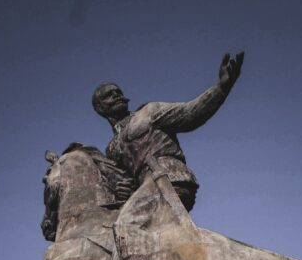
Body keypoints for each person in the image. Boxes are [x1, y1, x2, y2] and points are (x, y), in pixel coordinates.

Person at [91, 52, 244, 211]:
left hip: (170, 180)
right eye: (109, 95)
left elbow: (190, 113)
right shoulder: (111, 149)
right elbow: (123, 179)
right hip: (143, 192)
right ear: (100, 108)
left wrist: (221, 88)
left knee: (126, 224)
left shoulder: (148, 112)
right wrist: (124, 189)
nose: (116, 95)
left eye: (118, 92)